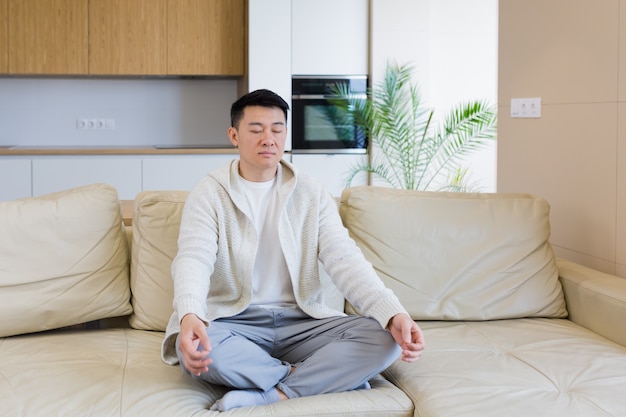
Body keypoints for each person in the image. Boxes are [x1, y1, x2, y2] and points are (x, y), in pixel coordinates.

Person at [161, 88, 425, 412]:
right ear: (234, 135)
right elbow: (193, 257)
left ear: (285, 134)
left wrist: (393, 312)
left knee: (386, 339)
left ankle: (275, 393)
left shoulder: (311, 192)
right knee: (195, 348)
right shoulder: (209, 193)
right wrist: (190, 314)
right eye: (256, 130)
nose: (268, 139)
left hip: (304, 321)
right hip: (236, 320)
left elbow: (344, 259)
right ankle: (318, 380)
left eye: (277, 129)